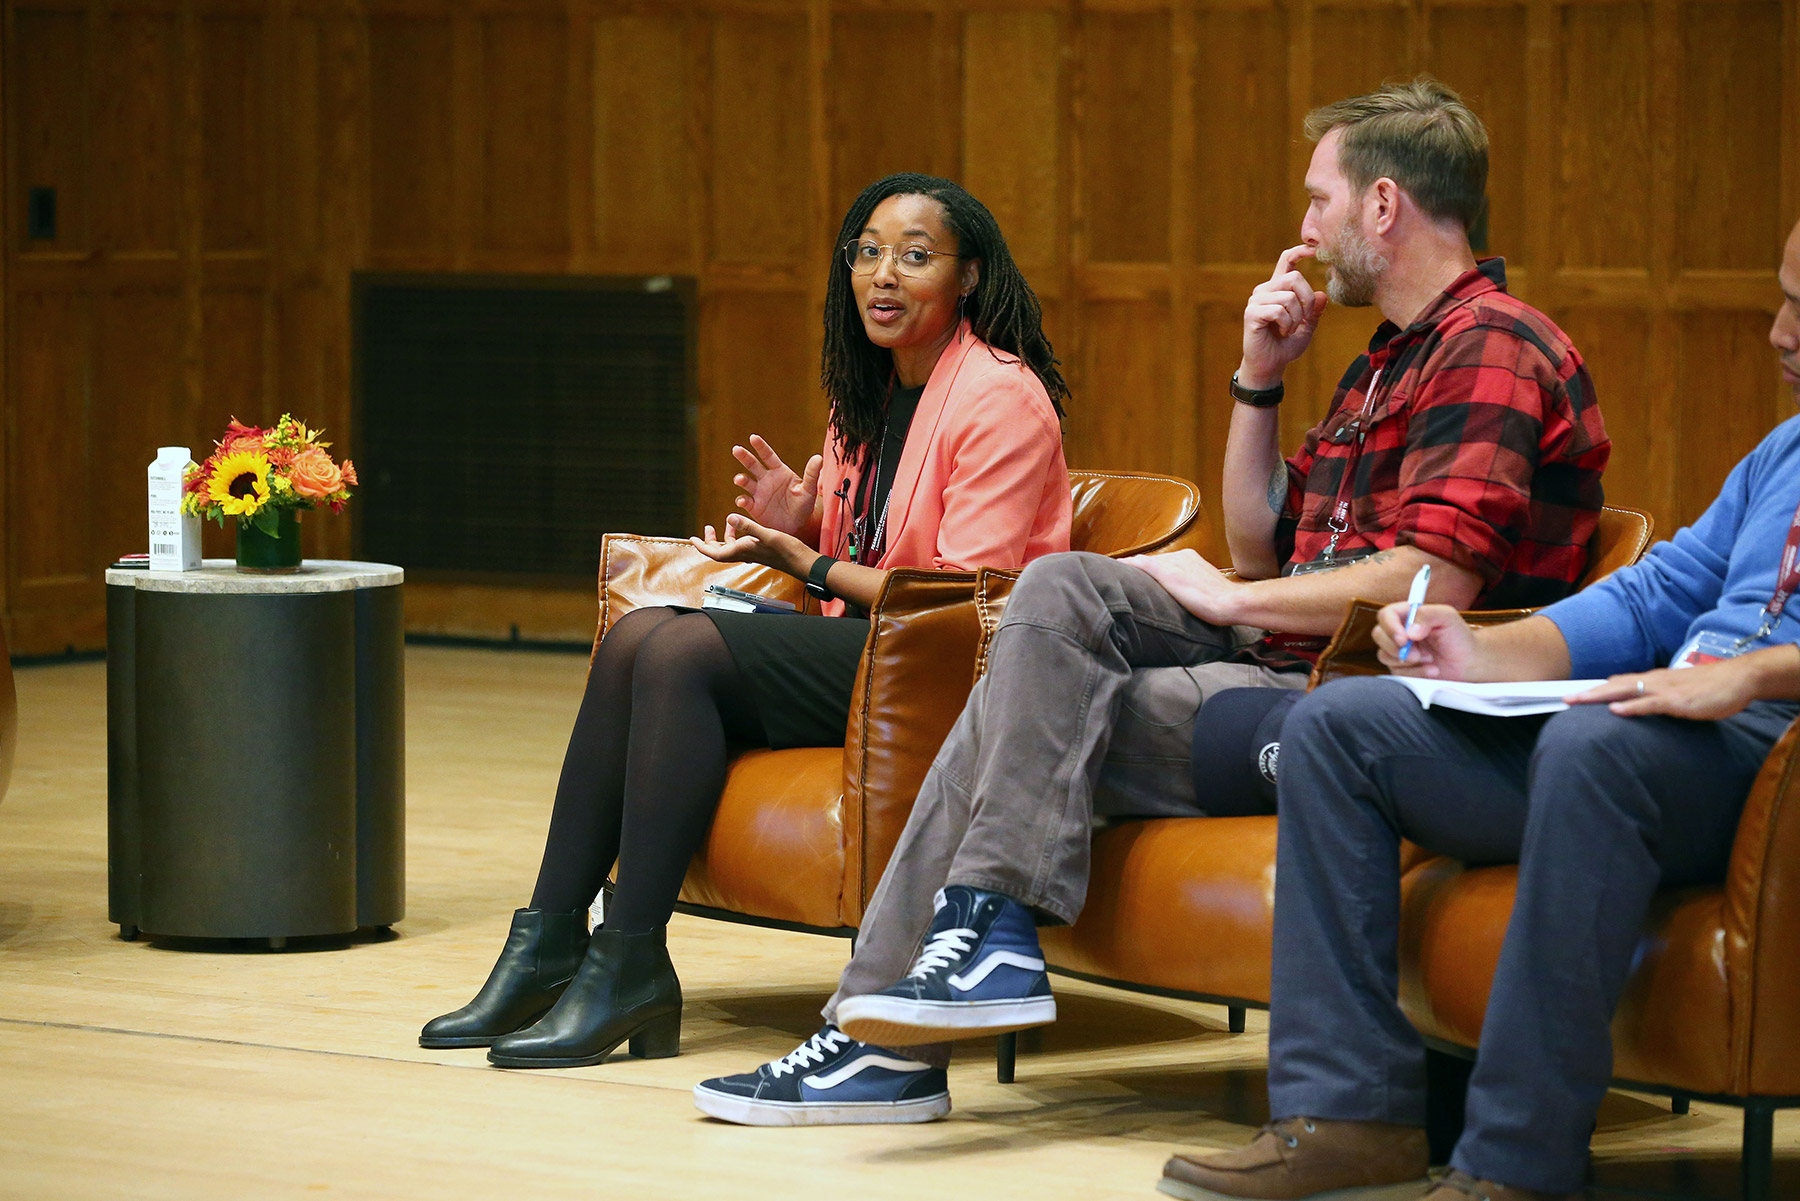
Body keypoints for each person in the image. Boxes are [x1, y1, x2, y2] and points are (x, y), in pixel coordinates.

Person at [695, 78, 1611, 1126]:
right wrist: (1258, 380)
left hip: (1364, 701)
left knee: (1009, 709)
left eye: (1320, 201)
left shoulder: (1492, 344)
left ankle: (890, 1028)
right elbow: (1268, 534)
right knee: (1060, 587)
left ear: (1384, 206)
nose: (1307, 228)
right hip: (1282, 663)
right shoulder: (1385, 360)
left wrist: (1226, 597)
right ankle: (953, 965)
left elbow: (1433, 581)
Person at [1158, 216, 1800, 1201]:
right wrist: (1480, 651)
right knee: (1341, 725)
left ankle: (1512, 1166)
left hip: (1760, 747)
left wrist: (1754, 675)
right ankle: (1347, 1116)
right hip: (1660, 727)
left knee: (1594, 749)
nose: (1779, 333)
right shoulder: (1781, 453)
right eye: (1783, 300)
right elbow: (1649, 596)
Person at [419, 173, 1073, 1069]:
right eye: (869, 253)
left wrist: (807, 561)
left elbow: (961, 596)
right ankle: (550, 941)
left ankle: (629, 960)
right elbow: (869, 557)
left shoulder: (1002, 395)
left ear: (968, 277)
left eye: (916, 256)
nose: (885, 274)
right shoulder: (868, 394)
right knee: (640, 634)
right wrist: (809, 523)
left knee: (683, 648)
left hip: (955, 666)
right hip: (872, 647)